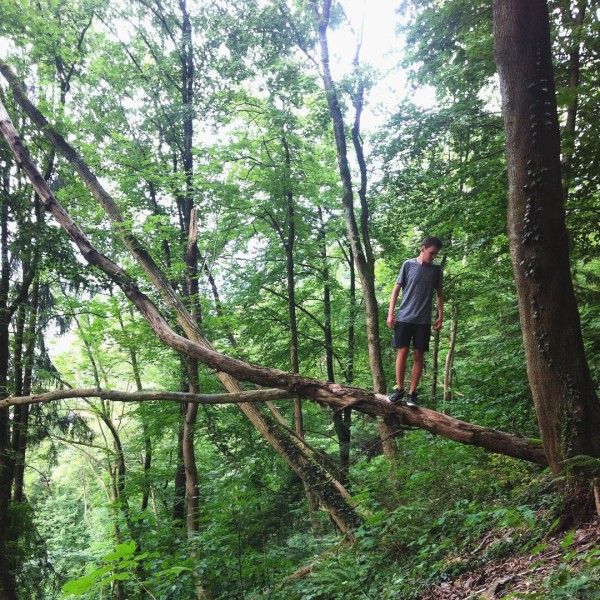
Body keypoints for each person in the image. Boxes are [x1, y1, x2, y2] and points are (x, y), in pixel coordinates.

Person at [387, 236, 444, 407]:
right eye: (431, 253)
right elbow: (396, 289)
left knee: (419, 355)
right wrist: (391, 313)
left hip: (423, 320)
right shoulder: (408, 265)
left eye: (436, 254)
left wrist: (440, 316)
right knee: (402, 351)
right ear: (422, 248)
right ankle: (399, 390)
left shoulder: (435, 270)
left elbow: (439, 294)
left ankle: (412, 393)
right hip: (404, 317)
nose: (433, 257)